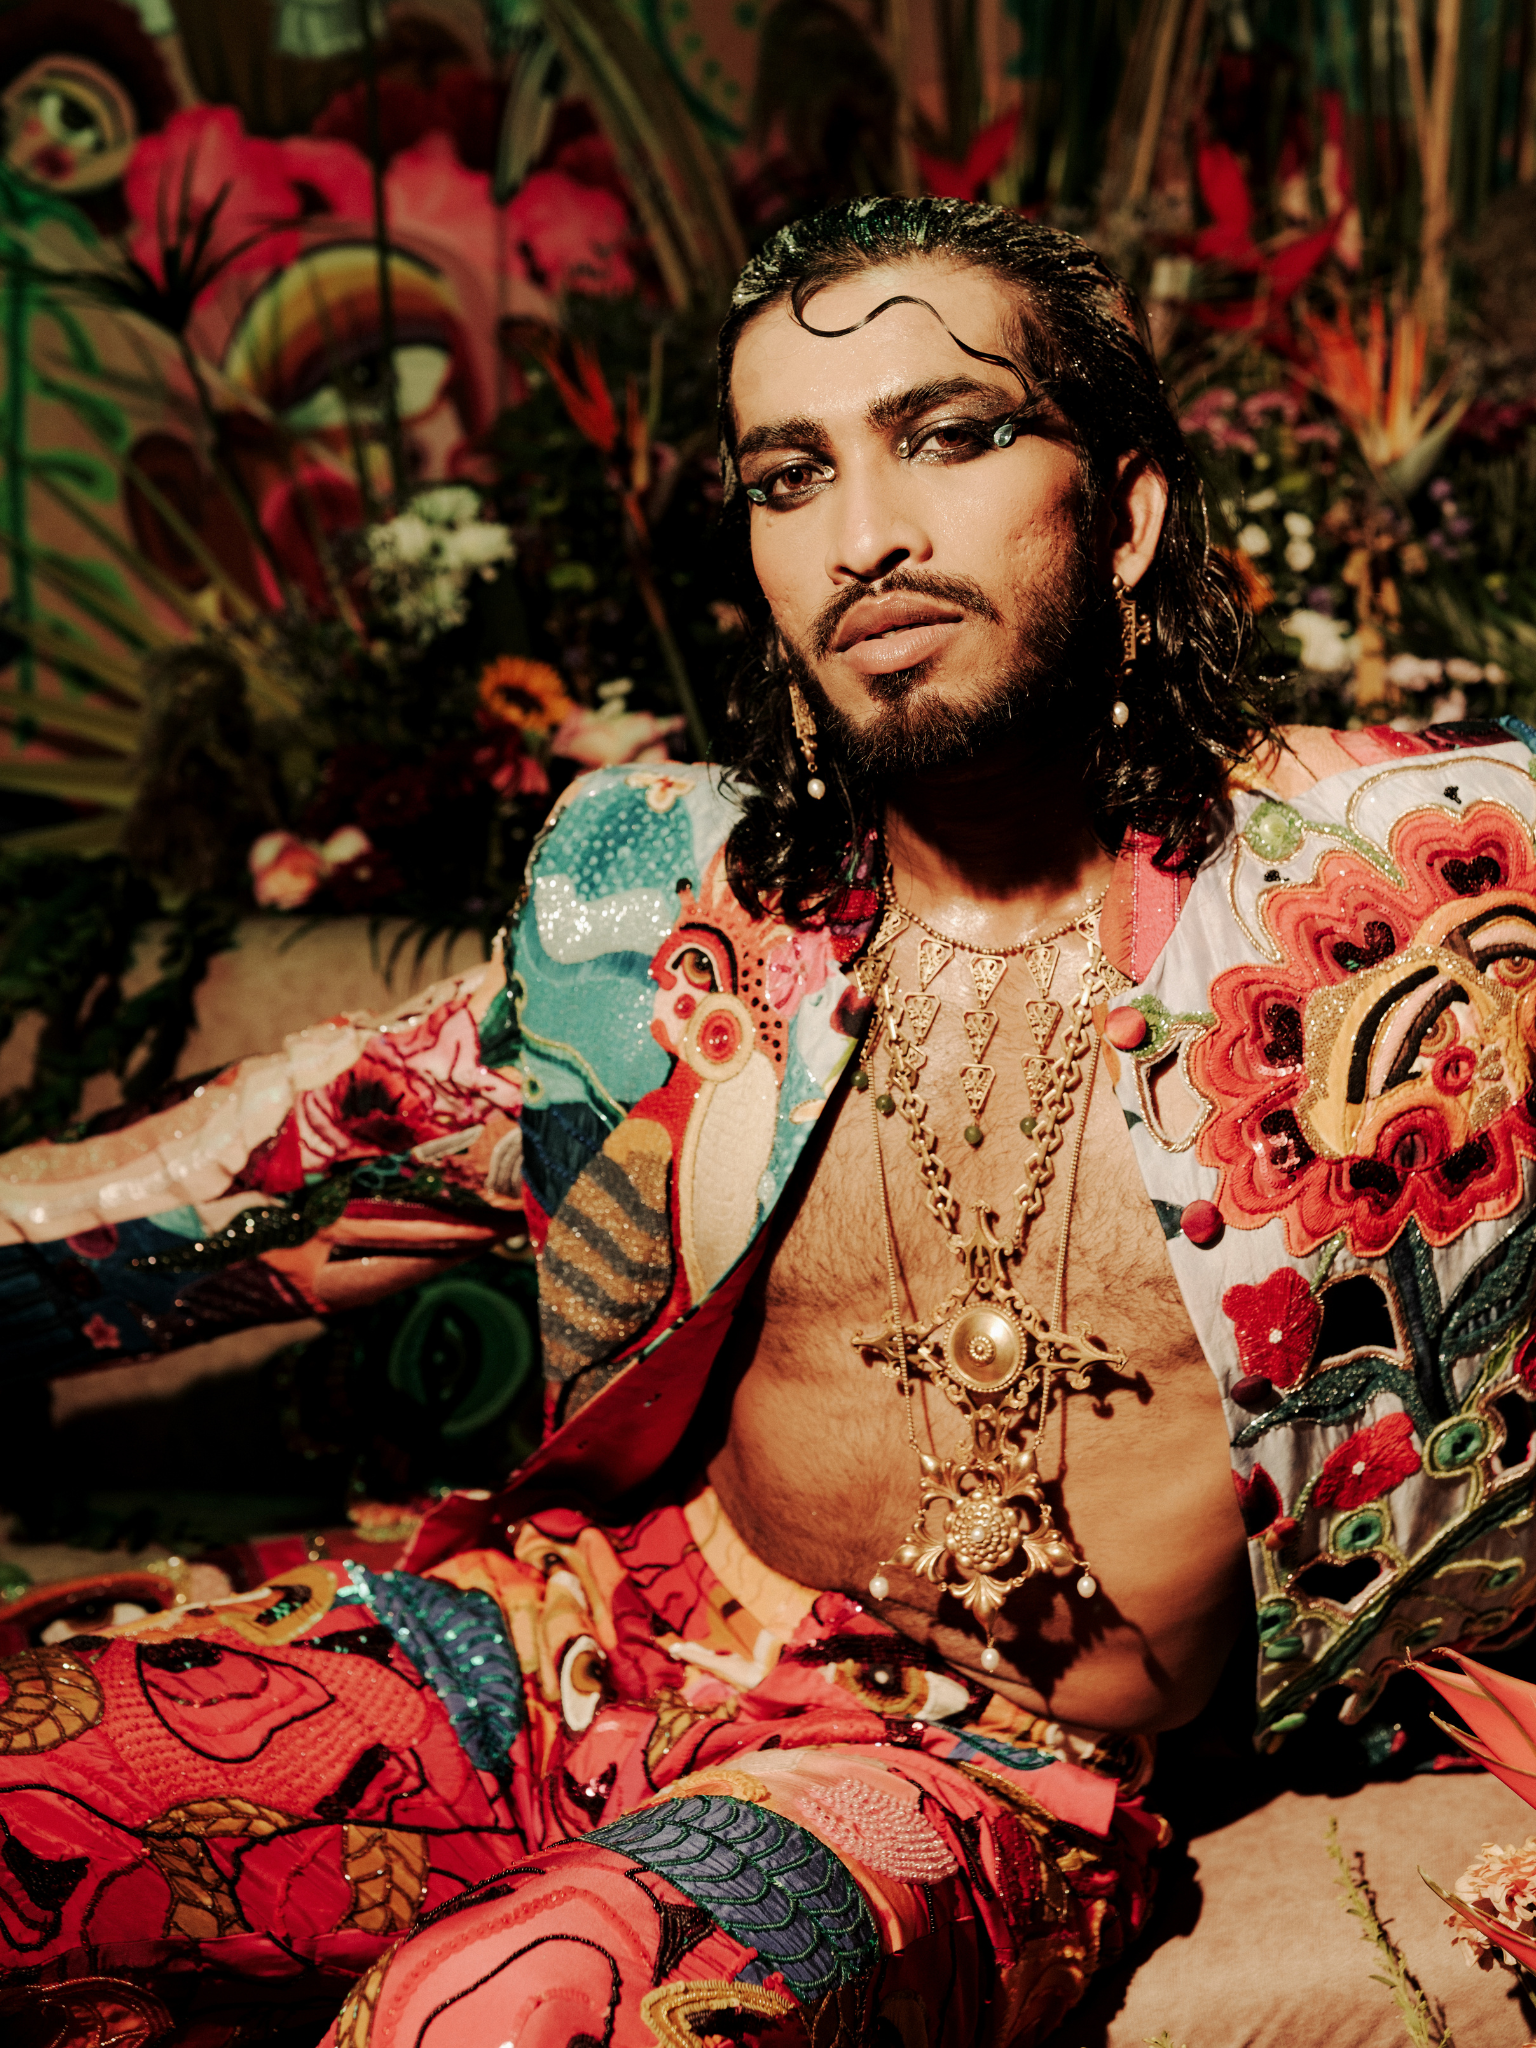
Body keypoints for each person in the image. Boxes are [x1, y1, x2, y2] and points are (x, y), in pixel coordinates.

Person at [3, 195, 1536, 2048]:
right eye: (790, 476)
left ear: (1126, 512)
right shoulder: (669, 911)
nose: (863, 533)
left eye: (947, 435)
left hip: (962, 1764)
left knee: (502, 2017)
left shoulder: (1417, 889)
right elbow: (237, 1177)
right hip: (586, 1623)